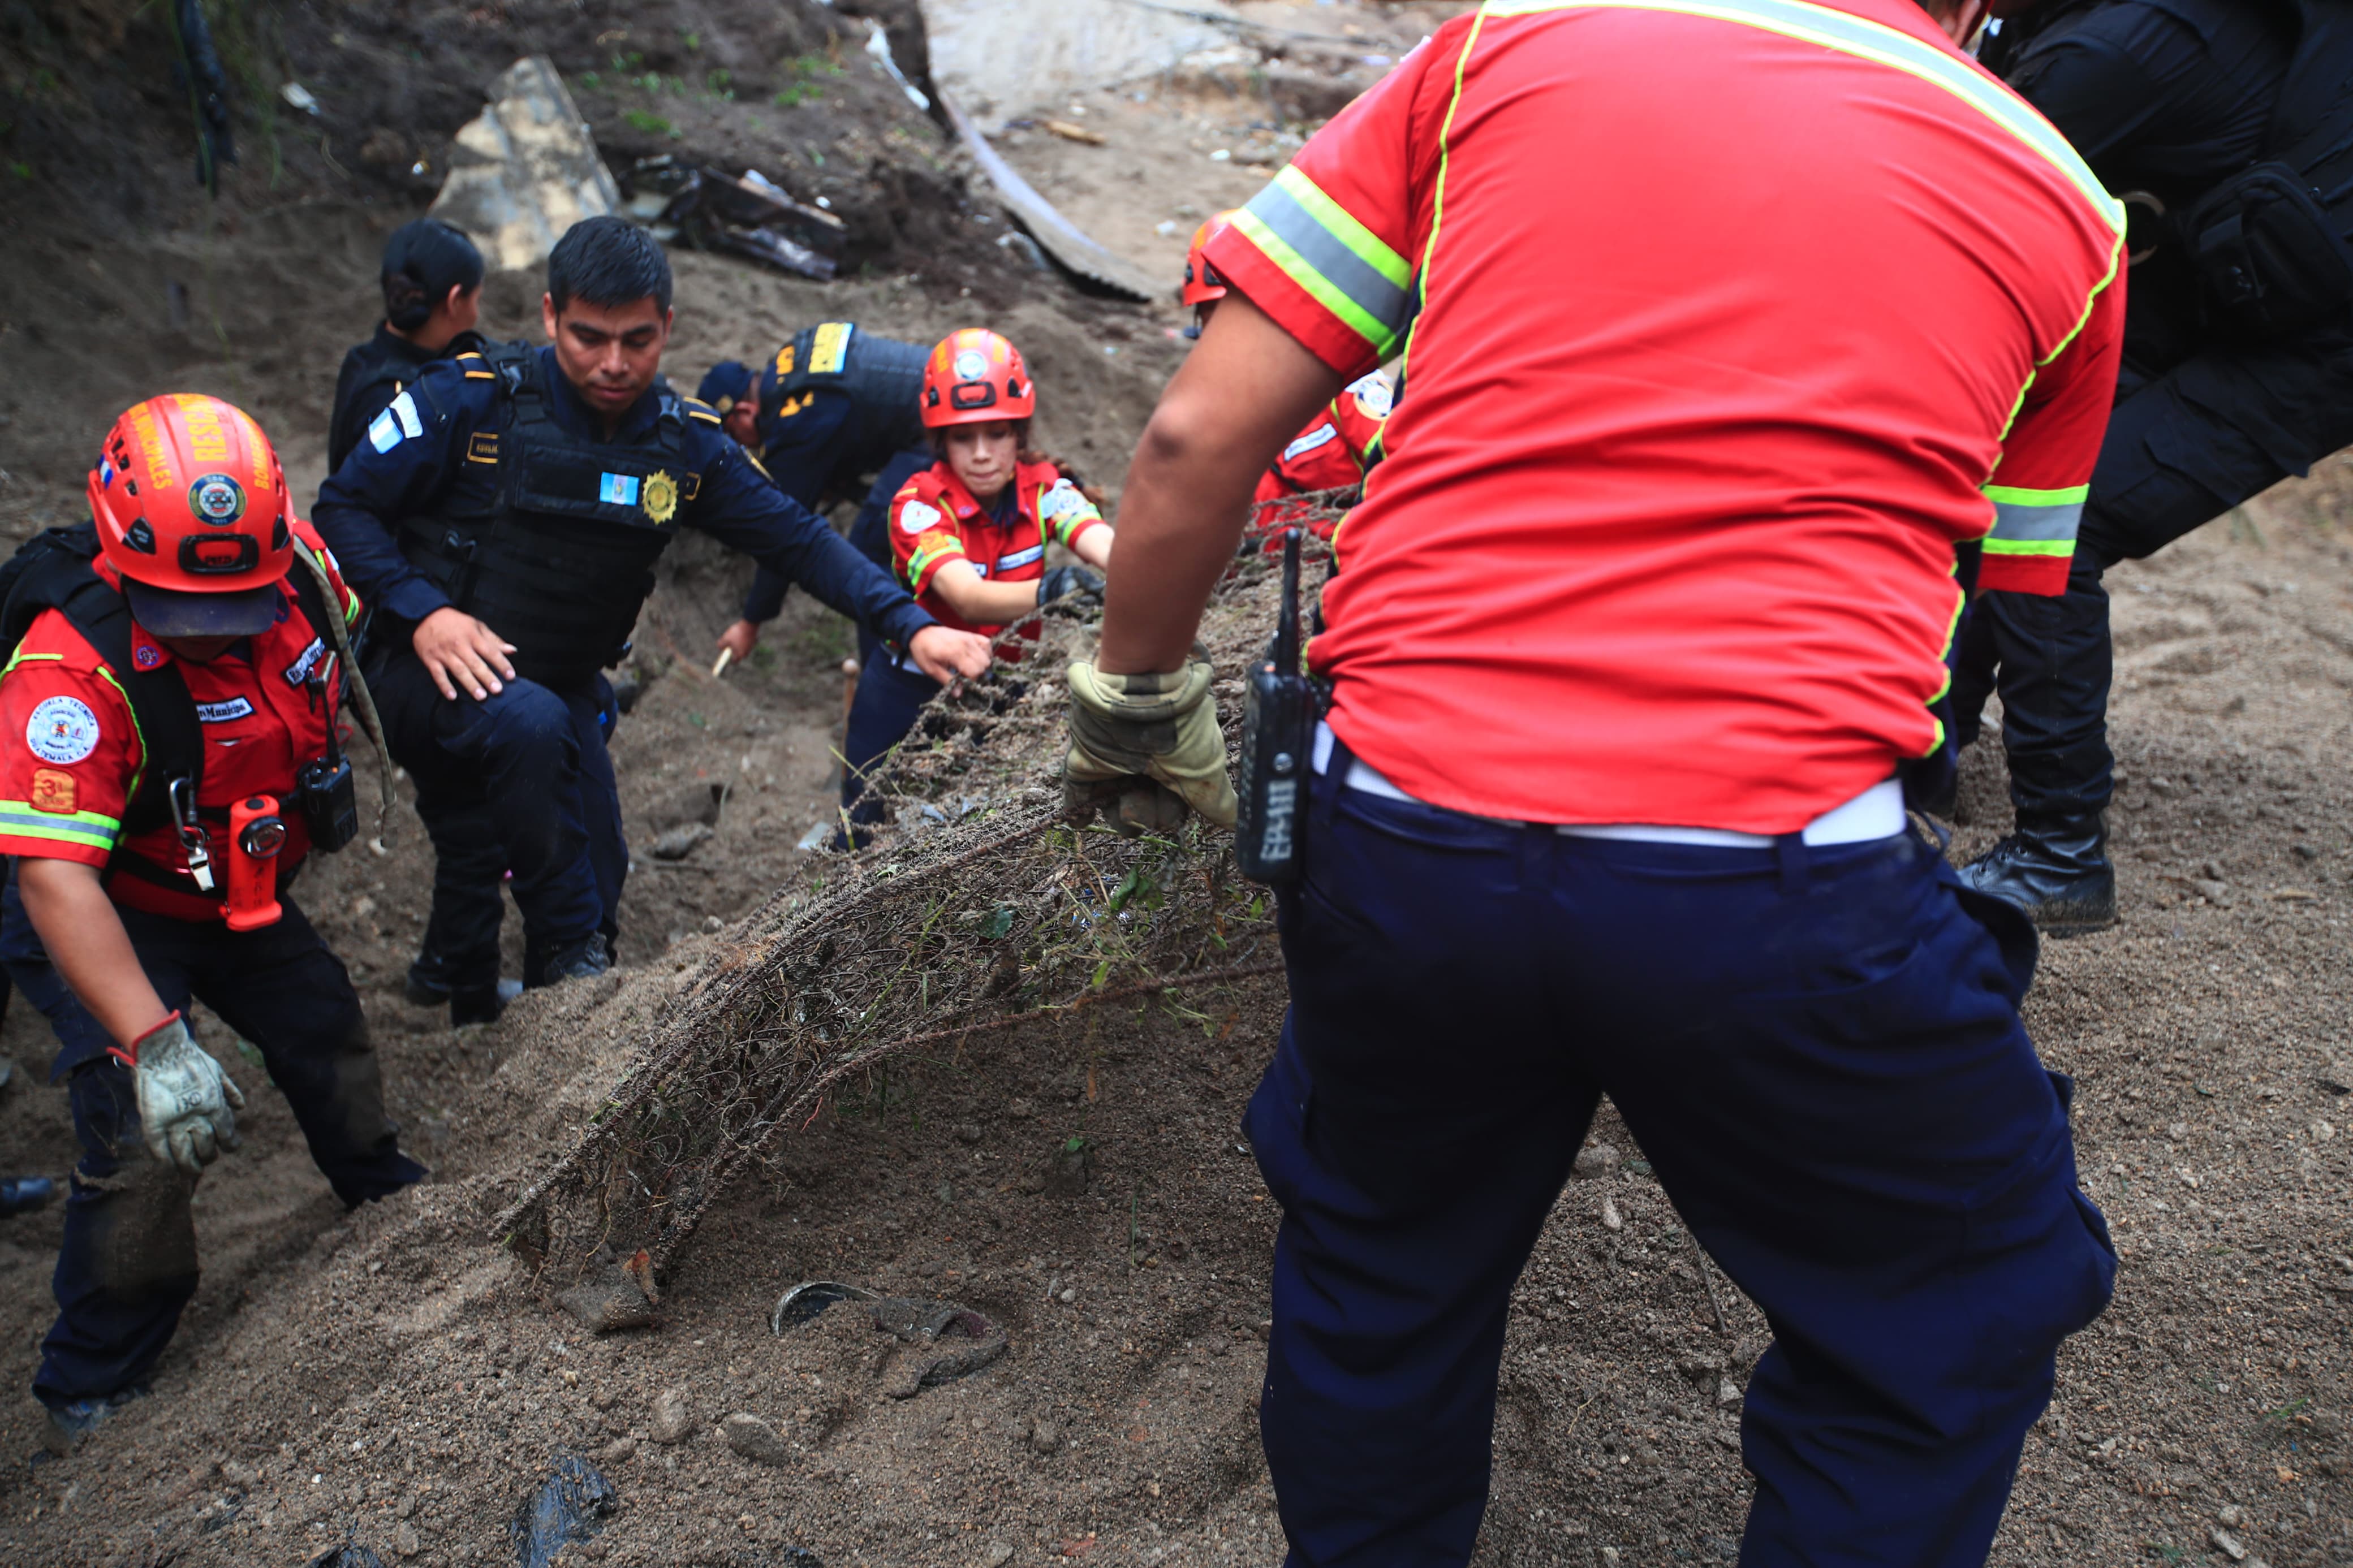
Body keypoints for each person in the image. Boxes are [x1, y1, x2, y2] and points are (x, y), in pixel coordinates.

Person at [1061, 1, 2126, 1562]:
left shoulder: (1512, 39)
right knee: (1959, 1299)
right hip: (1774, 878)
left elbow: (1194, 435)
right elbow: (2006, 587)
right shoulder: (2071, 205)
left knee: (1384, 1268)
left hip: (1400, 824)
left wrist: (1139, 699)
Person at [312, 218, 990, 1010]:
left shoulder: (683, 445)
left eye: (637, 340)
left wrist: (912, 623)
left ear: (668, 326)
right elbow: (342, 509)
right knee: (543, 813)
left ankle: (519, 1020)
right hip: (421, 671)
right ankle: (566, 975)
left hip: (560, 690)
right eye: (589, 337)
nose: (613, 364)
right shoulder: (466, 401)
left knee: (594, 876)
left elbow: (801, 540)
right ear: (548, 317)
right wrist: (425, 612)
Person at [0, 395, 425, 1454]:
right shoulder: (68, 674)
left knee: (325, 1026)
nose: (216, 623)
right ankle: (90, 1380)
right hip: (114, 906)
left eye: (239, 597)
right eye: (183, 604)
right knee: (143, 1139)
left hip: (239, 885)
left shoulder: (301, 575)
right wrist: (154, 1041)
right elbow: (55, 877)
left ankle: (391, 1203)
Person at [1947, 0, 2353, 928]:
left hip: (2312, 344)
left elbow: (1951, 201)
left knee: (2050, 517)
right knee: (1999, 449)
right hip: (2230, 264)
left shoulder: (2107, 53)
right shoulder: (2097, 33)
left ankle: (2060, 851)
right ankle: (1930, 747)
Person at [840, 328, 1113, 840]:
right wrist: (1054, 592)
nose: (983, 453)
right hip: (907, 689)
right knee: (860, 830)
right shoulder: (918, 505)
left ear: (1021, 433)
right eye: (963, 437)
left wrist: (1160, 568)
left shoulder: (1047, 489)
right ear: (939, 440)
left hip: (1001, 688)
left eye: (998, 433)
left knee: (982, 834)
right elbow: (966, 596)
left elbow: (1105, 545)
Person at [695, 321, 933, 667]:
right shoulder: (791, 362)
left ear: (744, 414)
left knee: (873, 544)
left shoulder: (796, 419)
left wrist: (751, 622)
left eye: (734, 436)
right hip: (944, 384)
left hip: (935, 427)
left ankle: (888, 668)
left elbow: (784, 531)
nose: (742, 447)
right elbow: (854, 410)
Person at [1182, 211, 1391, 545]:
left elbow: (1412, 478)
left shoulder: (1346, 387)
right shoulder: (1201, 424)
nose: (1233, 336)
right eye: (1217, 318)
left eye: (1250, 314)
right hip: (1259, 588)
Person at [327, 219, 488, 475]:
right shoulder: (406, 397)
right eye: (476, 300)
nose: (477, 314)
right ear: (454, 301)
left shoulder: (360, 361)